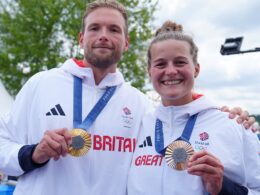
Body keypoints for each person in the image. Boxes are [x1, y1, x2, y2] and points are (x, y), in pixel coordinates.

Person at [0, 1, 255, 195]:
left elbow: (180, 115)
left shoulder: (140, 105)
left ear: (126, 43)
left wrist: (231, 118)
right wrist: (32, 154)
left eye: (114, 29)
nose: (103, 35)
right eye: (94, 28)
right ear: (81, 38)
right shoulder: (41, 84)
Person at [127, 21, 260, 195]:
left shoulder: (233, 125)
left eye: (180, 62)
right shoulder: (139, 124)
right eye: (160, 64)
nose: (171, 71)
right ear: (149, 71)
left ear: (196, 69)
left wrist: (223, 187)